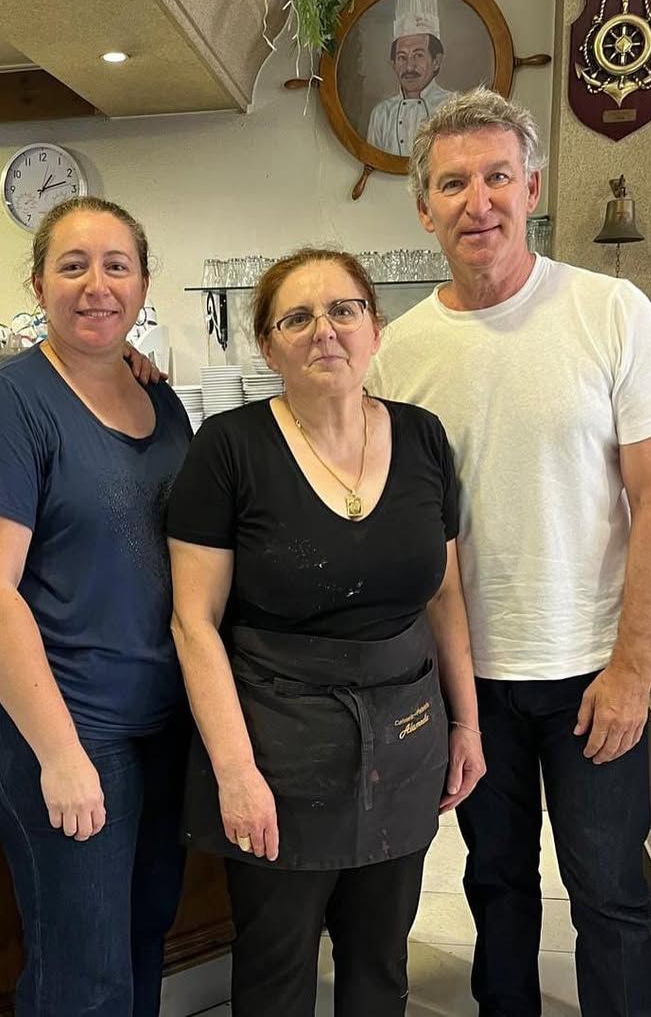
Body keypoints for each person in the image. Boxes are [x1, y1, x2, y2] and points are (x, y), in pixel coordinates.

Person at [369, 86, 651, 1017]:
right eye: (454, 182)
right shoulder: (398, 353)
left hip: (593, 668)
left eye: (498, 176)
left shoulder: (611, 311)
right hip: (470, 681)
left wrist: (635, 668)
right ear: (424, 207)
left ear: (533, 185)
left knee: (611, 896)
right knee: (495, 885)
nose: (480, 201)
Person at [166, 248, 485, 1017]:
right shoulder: (230, 448)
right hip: (281, 746)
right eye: (297, 317)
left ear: (375, 328)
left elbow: (443, 594)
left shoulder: (422, 438)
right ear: (268, 345)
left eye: (344, 309)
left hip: (406, 735)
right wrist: (236, 772)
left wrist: (467, 719)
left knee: (381, 962)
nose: (325, 331)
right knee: (277, 970)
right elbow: (194, 620)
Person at [0, 196, 193, 1017]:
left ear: (144, 284)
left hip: (156, 722)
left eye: (116, 265)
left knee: (140, 939)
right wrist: (59, 752)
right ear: (37, 282)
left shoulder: (163, 401)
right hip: (61, 728)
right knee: (82, 977)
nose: (96, 285)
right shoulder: (5, 407)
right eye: (73, 265)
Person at [367, 0, 455, 157]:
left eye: (418, 55)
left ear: (436, 60)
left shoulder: (454, 106)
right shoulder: (381, 114)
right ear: (393, 64)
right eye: (402, 57)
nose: (409, 67)